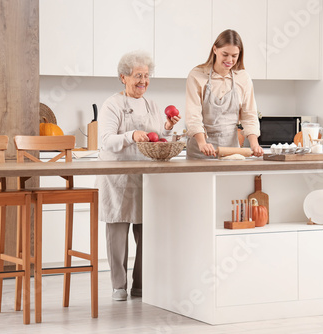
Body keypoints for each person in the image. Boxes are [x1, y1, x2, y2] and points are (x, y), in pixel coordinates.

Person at [95, 50, 180, 301]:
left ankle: (141, 284)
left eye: (146, 75)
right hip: (118, 176)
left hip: (145, 174)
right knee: (118, 232)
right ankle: (118, 286)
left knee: (146, 231)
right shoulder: (112, 104)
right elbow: (106, 141)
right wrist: (130, 135)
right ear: (123, 77)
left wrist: (167, 127)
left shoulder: (152, 105)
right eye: (137, 76)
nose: (143, 81)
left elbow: (155, 137)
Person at [185, 29, 263, 159]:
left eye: (234, 56)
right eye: (225, 54)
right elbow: (193, 115)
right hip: (200, 152)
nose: (229, 60)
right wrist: (202, 143)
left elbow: (249, 116)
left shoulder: (243, 78)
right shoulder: (197, 75)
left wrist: (254, 144)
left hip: (231, 152)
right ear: (215, 49)